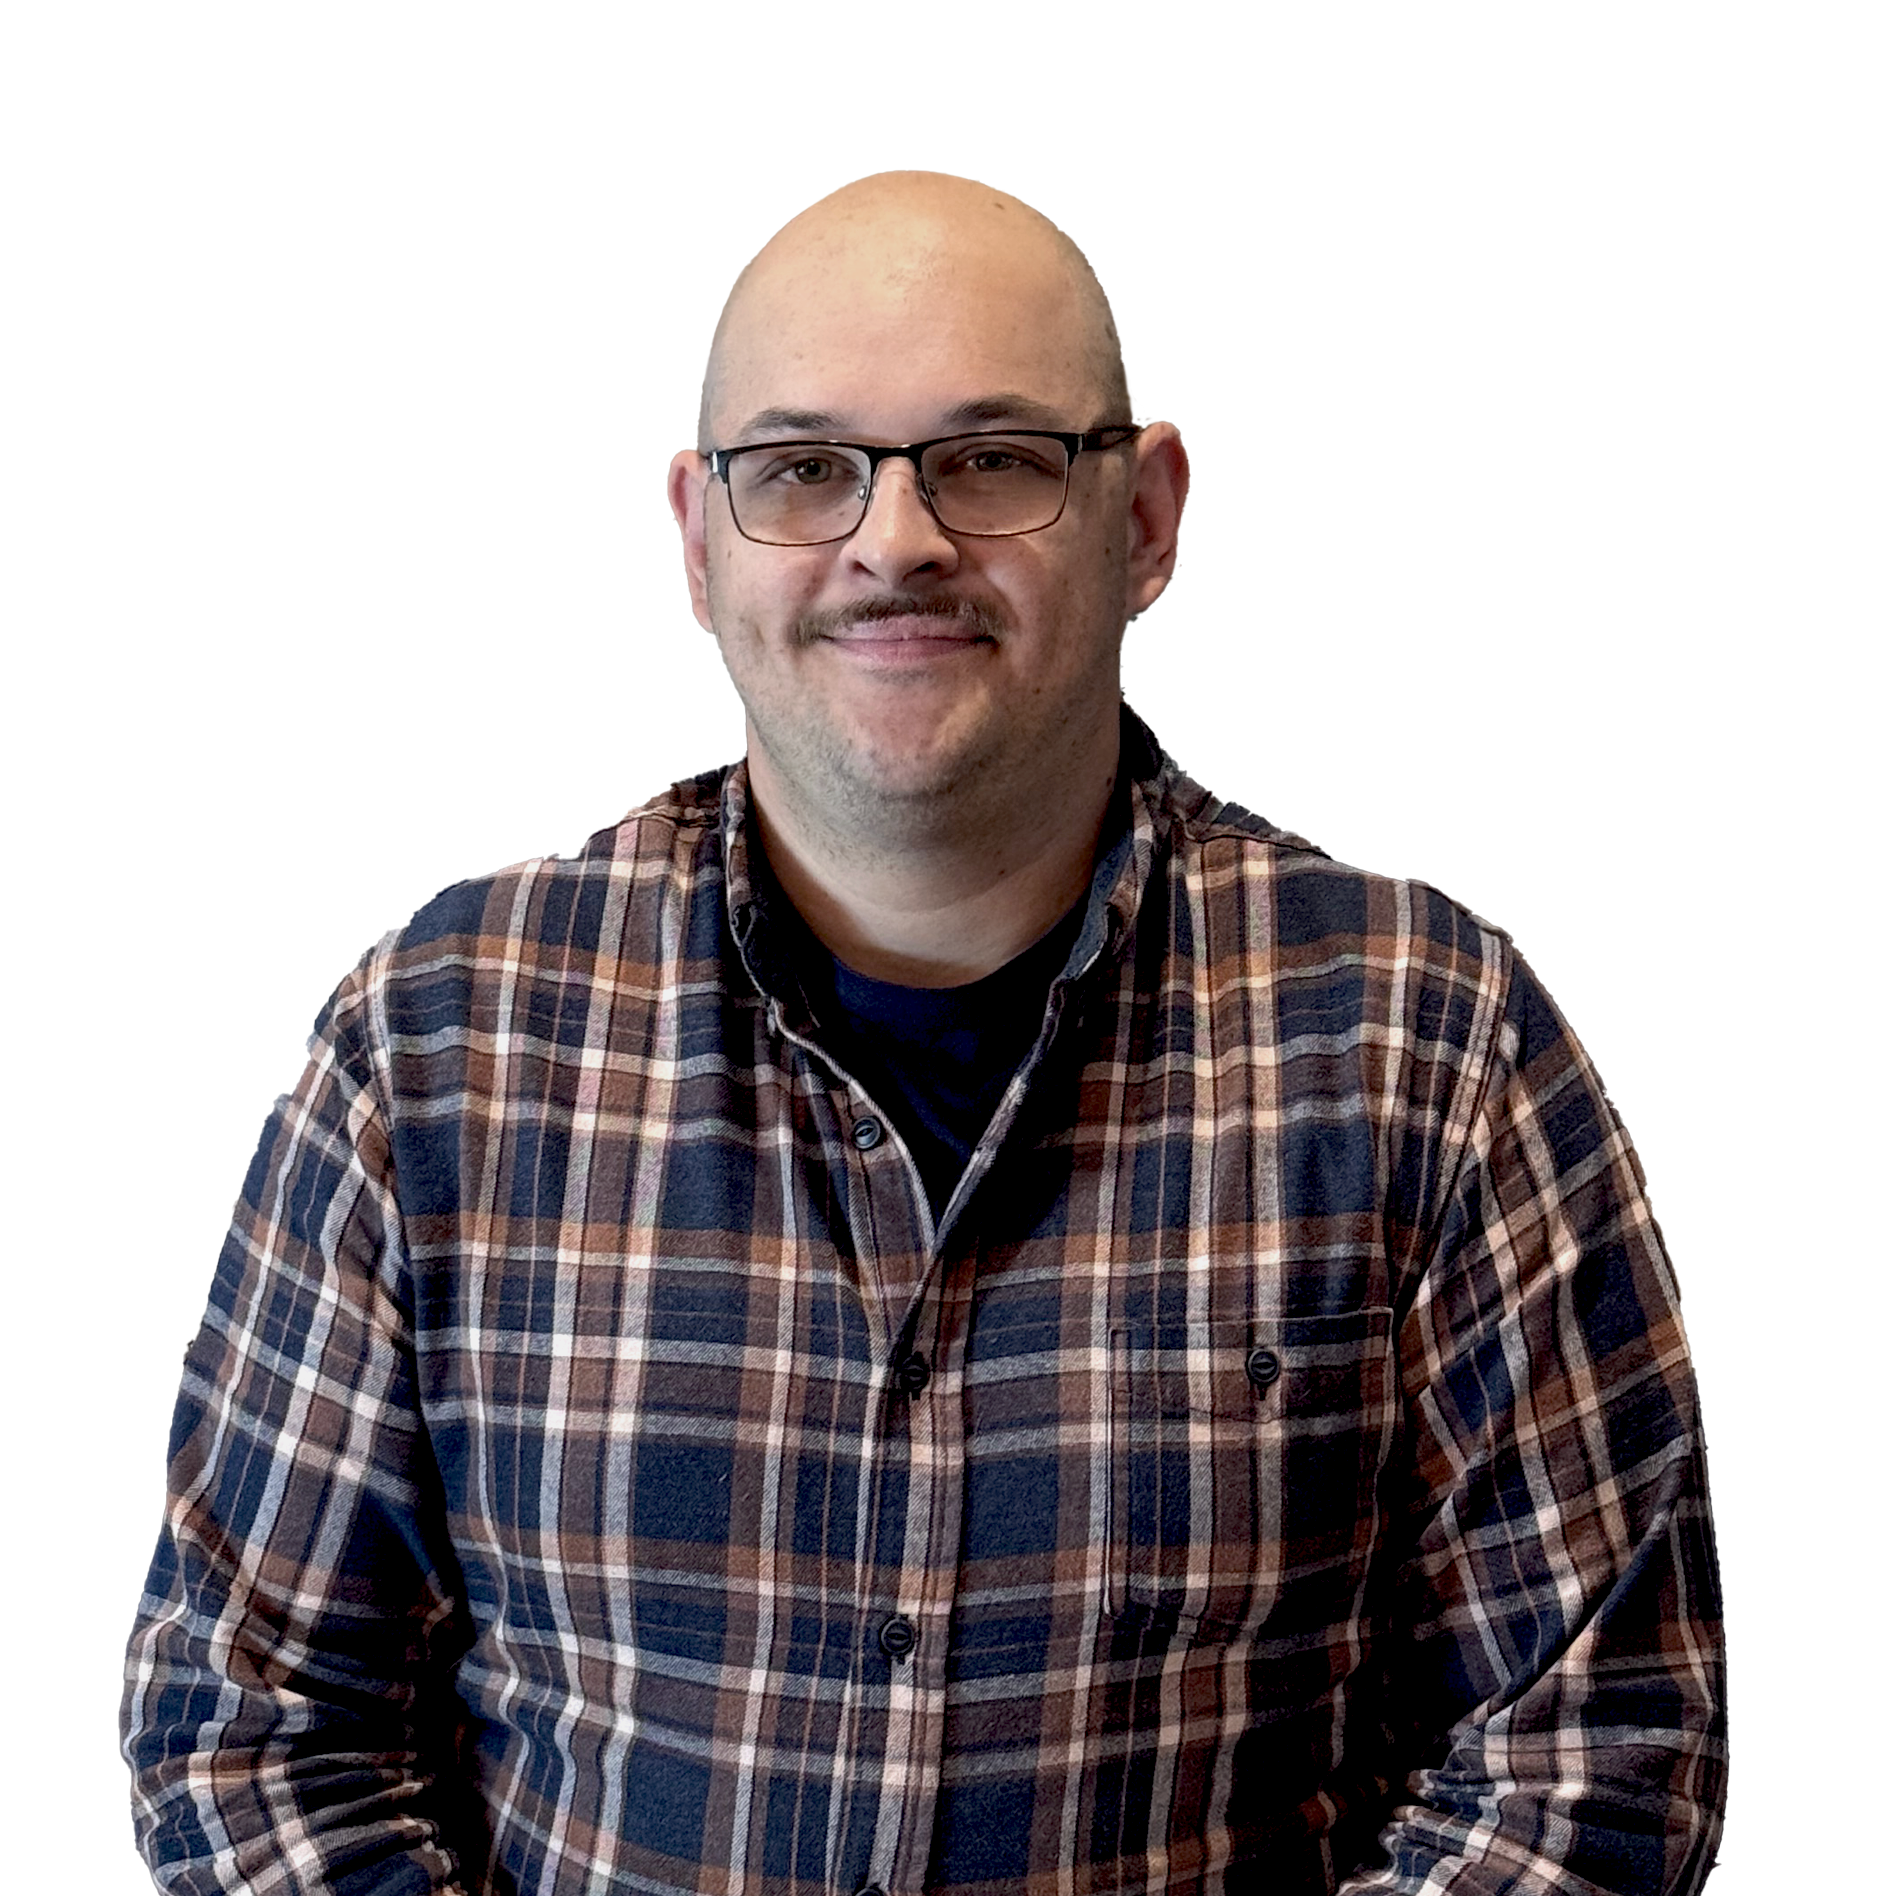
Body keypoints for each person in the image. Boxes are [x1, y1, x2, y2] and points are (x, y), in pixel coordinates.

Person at [121, 169, 1729, 1894]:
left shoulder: (1430, 1043)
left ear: (1154, 512)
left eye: (992, 458)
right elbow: (250, 1730)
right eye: (805, 467)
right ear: (696, 537)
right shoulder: (436, 1040)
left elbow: (1599, 1758)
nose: (896, 540)